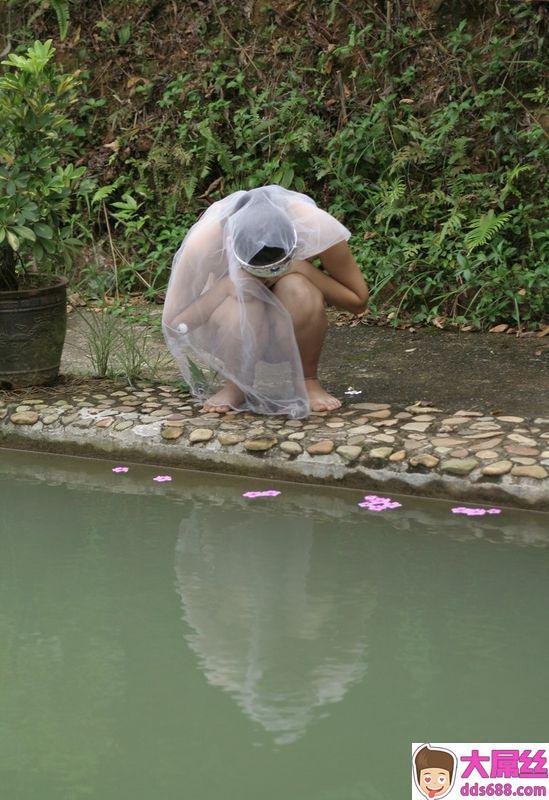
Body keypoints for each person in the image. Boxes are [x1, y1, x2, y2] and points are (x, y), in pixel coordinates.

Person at [162, 184, 368, 417]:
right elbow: (174, 324)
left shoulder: (314, 224)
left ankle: (307, 379)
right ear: (231, 243)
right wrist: (227, 287)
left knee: (298, 288)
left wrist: (300, 269)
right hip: (233, 331)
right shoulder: (206, 240)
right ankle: (237, 383)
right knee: (240, 302)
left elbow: (358, 301)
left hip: (293, 328)